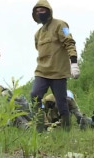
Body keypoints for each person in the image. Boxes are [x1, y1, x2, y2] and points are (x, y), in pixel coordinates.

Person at [30, 0, 80, 132]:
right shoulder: (38, 33)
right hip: (42, 71)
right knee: (35, 95)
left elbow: (69, 43)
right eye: (37, 11)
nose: (40, 13)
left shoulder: (60, 25)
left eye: (42, 10)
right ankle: (40, 129)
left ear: (48, 10)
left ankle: (65, 130)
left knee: (62, 103)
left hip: (58, 72)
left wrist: (73, 63)